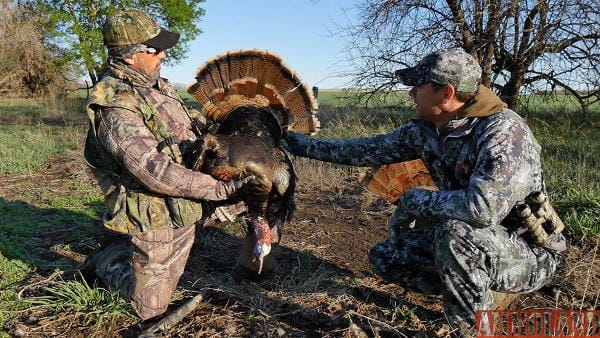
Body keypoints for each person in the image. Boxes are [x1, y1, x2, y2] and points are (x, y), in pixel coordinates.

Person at [283, 48, 566, 334]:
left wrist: (415, 200)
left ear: (447, 93)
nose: (411, 93)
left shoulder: (504, 133)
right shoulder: (429, 129)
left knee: (455, 237)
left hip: (530, 252)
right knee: (386, 257)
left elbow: (481, 209)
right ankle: (480, 291)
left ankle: (473, 330)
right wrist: (292, 142)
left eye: (418, 85)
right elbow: (364, 150)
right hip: (475, 239)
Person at [81, 8, 252, 320]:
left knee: (265, 189)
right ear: (130, 56)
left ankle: (257, 263)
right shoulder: (115, 106)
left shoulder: (157, 85)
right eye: (154, 49)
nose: (163, 55)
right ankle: (108, 260)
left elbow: (191, 127)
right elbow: (156, 172)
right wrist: (219, 190)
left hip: (189, 194)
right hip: (156, 211)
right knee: (147, 311)